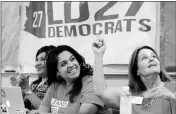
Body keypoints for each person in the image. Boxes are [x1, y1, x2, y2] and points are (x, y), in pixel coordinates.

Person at [92, 38, 176, 114]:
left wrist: (173, 97)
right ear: (137, 70)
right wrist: (98, 55)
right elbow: (100, 92)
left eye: (154, 56)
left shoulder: (173, 87)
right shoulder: (129, 94)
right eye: (144, 58)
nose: (151, 59)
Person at [30, 45, 104, 114]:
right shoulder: (55, 86)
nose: (71, 65)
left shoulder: (91, 82)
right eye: (63, 64)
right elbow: (42, 110)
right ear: (57, 72)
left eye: (72, 59)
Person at [10, 45, 56, 110]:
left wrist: (27, 90)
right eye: (37, 60)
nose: (38, 63)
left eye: (42, 59)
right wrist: (18, 88)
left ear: (52, 62)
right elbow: (18, 105)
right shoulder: (34, 84)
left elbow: (47, 109)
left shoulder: (56, 85)